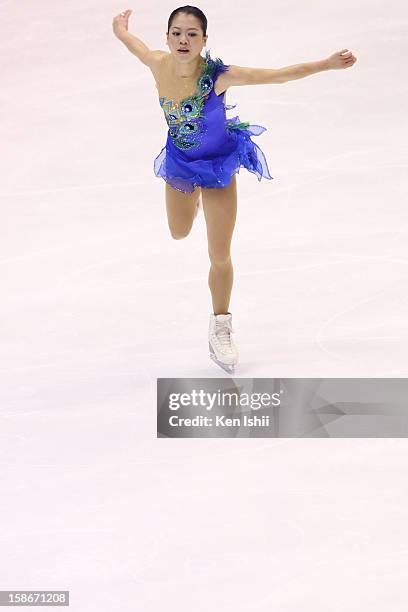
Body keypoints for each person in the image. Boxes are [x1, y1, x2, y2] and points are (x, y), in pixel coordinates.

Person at [112, 6, 357, 374]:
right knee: (178, 232)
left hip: (217, 167)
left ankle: (221, 326)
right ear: (166, 37)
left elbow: (278, 76)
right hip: (180, 165)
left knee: (219, 253)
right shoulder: (156, 62)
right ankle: (191, 202)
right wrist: (120, 29)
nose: (183, 40)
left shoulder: (218, 77)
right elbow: (134, 44)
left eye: (192, 34)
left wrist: (326, 64)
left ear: (205, 41)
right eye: (177, 33)